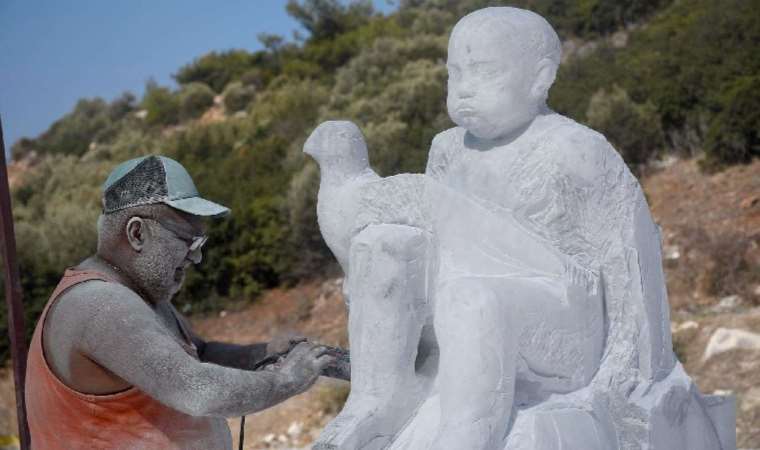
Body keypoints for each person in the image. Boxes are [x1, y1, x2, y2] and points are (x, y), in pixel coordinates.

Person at [25, 155, 334, 449]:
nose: (196, 256)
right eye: (188, 240)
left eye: (201, 243)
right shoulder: (98, 305)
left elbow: (201, 353)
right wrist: (285, 380)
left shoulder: (139, 297)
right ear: (136, 233)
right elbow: (198, 390)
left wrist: (262, 353)